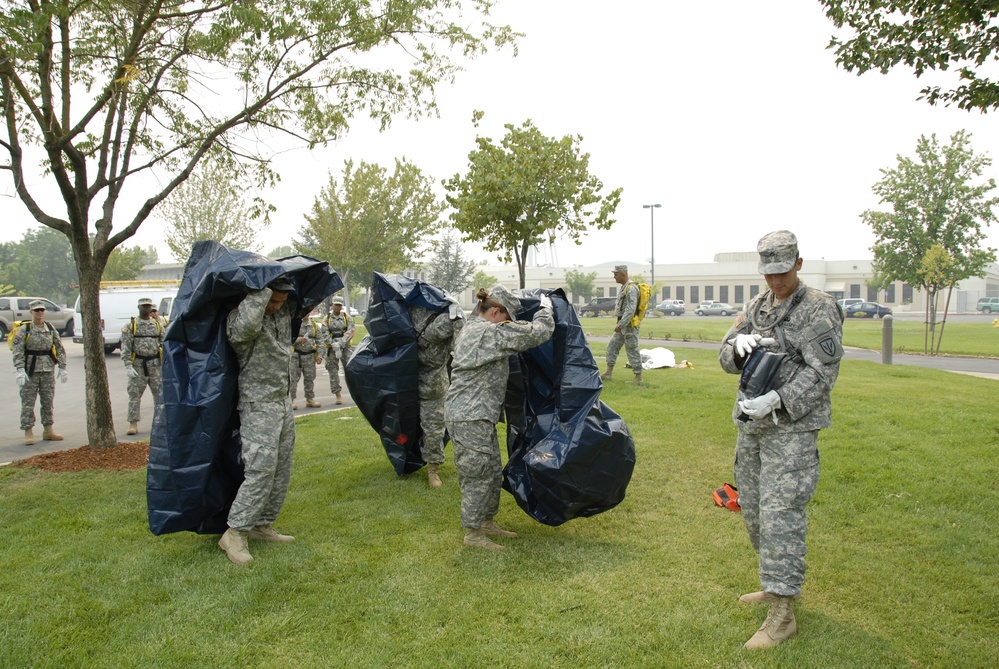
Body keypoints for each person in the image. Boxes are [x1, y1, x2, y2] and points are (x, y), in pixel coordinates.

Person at [718, 230, 844, 650]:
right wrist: (736, 346)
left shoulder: (819, 310)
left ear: (798, 264)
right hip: (752, 427)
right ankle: (775, 584)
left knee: (780, 513)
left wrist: (779, 400)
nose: (776, 282)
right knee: (752, 509)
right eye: (769, 274)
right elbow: (724, 358)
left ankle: (783, 612)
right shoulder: (756, 308)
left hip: (791, 429)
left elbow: (822, 374)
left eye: (783, 272)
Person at [445, 286, 554, 550]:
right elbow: (537, 333)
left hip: (478, 415)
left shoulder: (473, 327)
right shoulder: (486, 333)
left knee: (492, 471)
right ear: (495, 312)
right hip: (469, 416)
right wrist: (546, 310)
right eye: (507, 319)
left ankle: (486, 523)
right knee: (477, 474)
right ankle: (473, 534)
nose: (508, 325)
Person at [218, 278, 298, 565]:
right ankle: (235, 532)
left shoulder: (283, 313)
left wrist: (277, 302)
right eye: (272, 300)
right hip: (257, 401)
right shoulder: (243, 316)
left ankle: (262, 524)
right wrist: (260, 296)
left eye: (281, 301)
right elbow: (241, 334)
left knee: (281, 466)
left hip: (281, 399)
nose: (277, 306)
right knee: (261, 468)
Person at [407, 293, 465, 488]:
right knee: (402, 425)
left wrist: (457, 315)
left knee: (433, 429)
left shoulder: (446, 322)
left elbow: (461, 343)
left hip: (432, 385)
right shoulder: (410, 311)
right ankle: (404, 460)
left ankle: (433, 469)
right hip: (405, 380)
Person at [11, 300, 68, 445]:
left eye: (42, 310)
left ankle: (48, 430)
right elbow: (18, 351)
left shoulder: (50, 327)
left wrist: (62, 367)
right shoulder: (25, 329)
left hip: (48, 369)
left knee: (48, 401)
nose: (40, 313)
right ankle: (28, 432)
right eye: (36, 310)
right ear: (31, 312)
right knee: (28, 402)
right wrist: (19, 369)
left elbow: (59, 347)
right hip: (30, 370)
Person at [120, 297, 165, 436]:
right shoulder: (131, 325)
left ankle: (160, 423)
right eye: (144, 306)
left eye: (148, 306)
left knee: (159, 396)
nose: (146, 309)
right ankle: (133, 423)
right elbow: (126, 347)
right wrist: (128, 365)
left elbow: (163, 343)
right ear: (138, 307)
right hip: (138, 365)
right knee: (134, 395)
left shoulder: (157, 325)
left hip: (155, 365)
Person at [600, 264, 644, 385]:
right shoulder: (624, 287)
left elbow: (630, 309)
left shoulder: (631, 288)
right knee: (612, 346)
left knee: (632, 349)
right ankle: (608, 373)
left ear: (623, 274)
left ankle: (638, 377)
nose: (614, 277)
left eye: (616, 274)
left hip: (629, 325)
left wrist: (621, 324)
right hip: (622, 325)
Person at [320, 295, 355, 405]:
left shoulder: (346, 317)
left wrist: (340, 343)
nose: (338, 307)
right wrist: (332, 343)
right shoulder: (327, 319)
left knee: (350, 369)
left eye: (340, 305)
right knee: (333, 371)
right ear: (332, 305)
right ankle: (337, 394)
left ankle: (355, 392)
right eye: (336, 305)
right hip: (332, 349)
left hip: (345, 347)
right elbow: (324, 333)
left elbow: (351, 331)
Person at [290, 312, 323, 410]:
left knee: (310, 379)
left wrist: (320, 355)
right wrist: (297, 340)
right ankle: (291, 400)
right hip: (296, 356)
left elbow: (320, 341)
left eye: (308, 312)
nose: (306, 314)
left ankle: (310, 399)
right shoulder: (294, 324)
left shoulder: (313, 325)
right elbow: (287, 338)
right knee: (293, 380)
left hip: (309, 356)